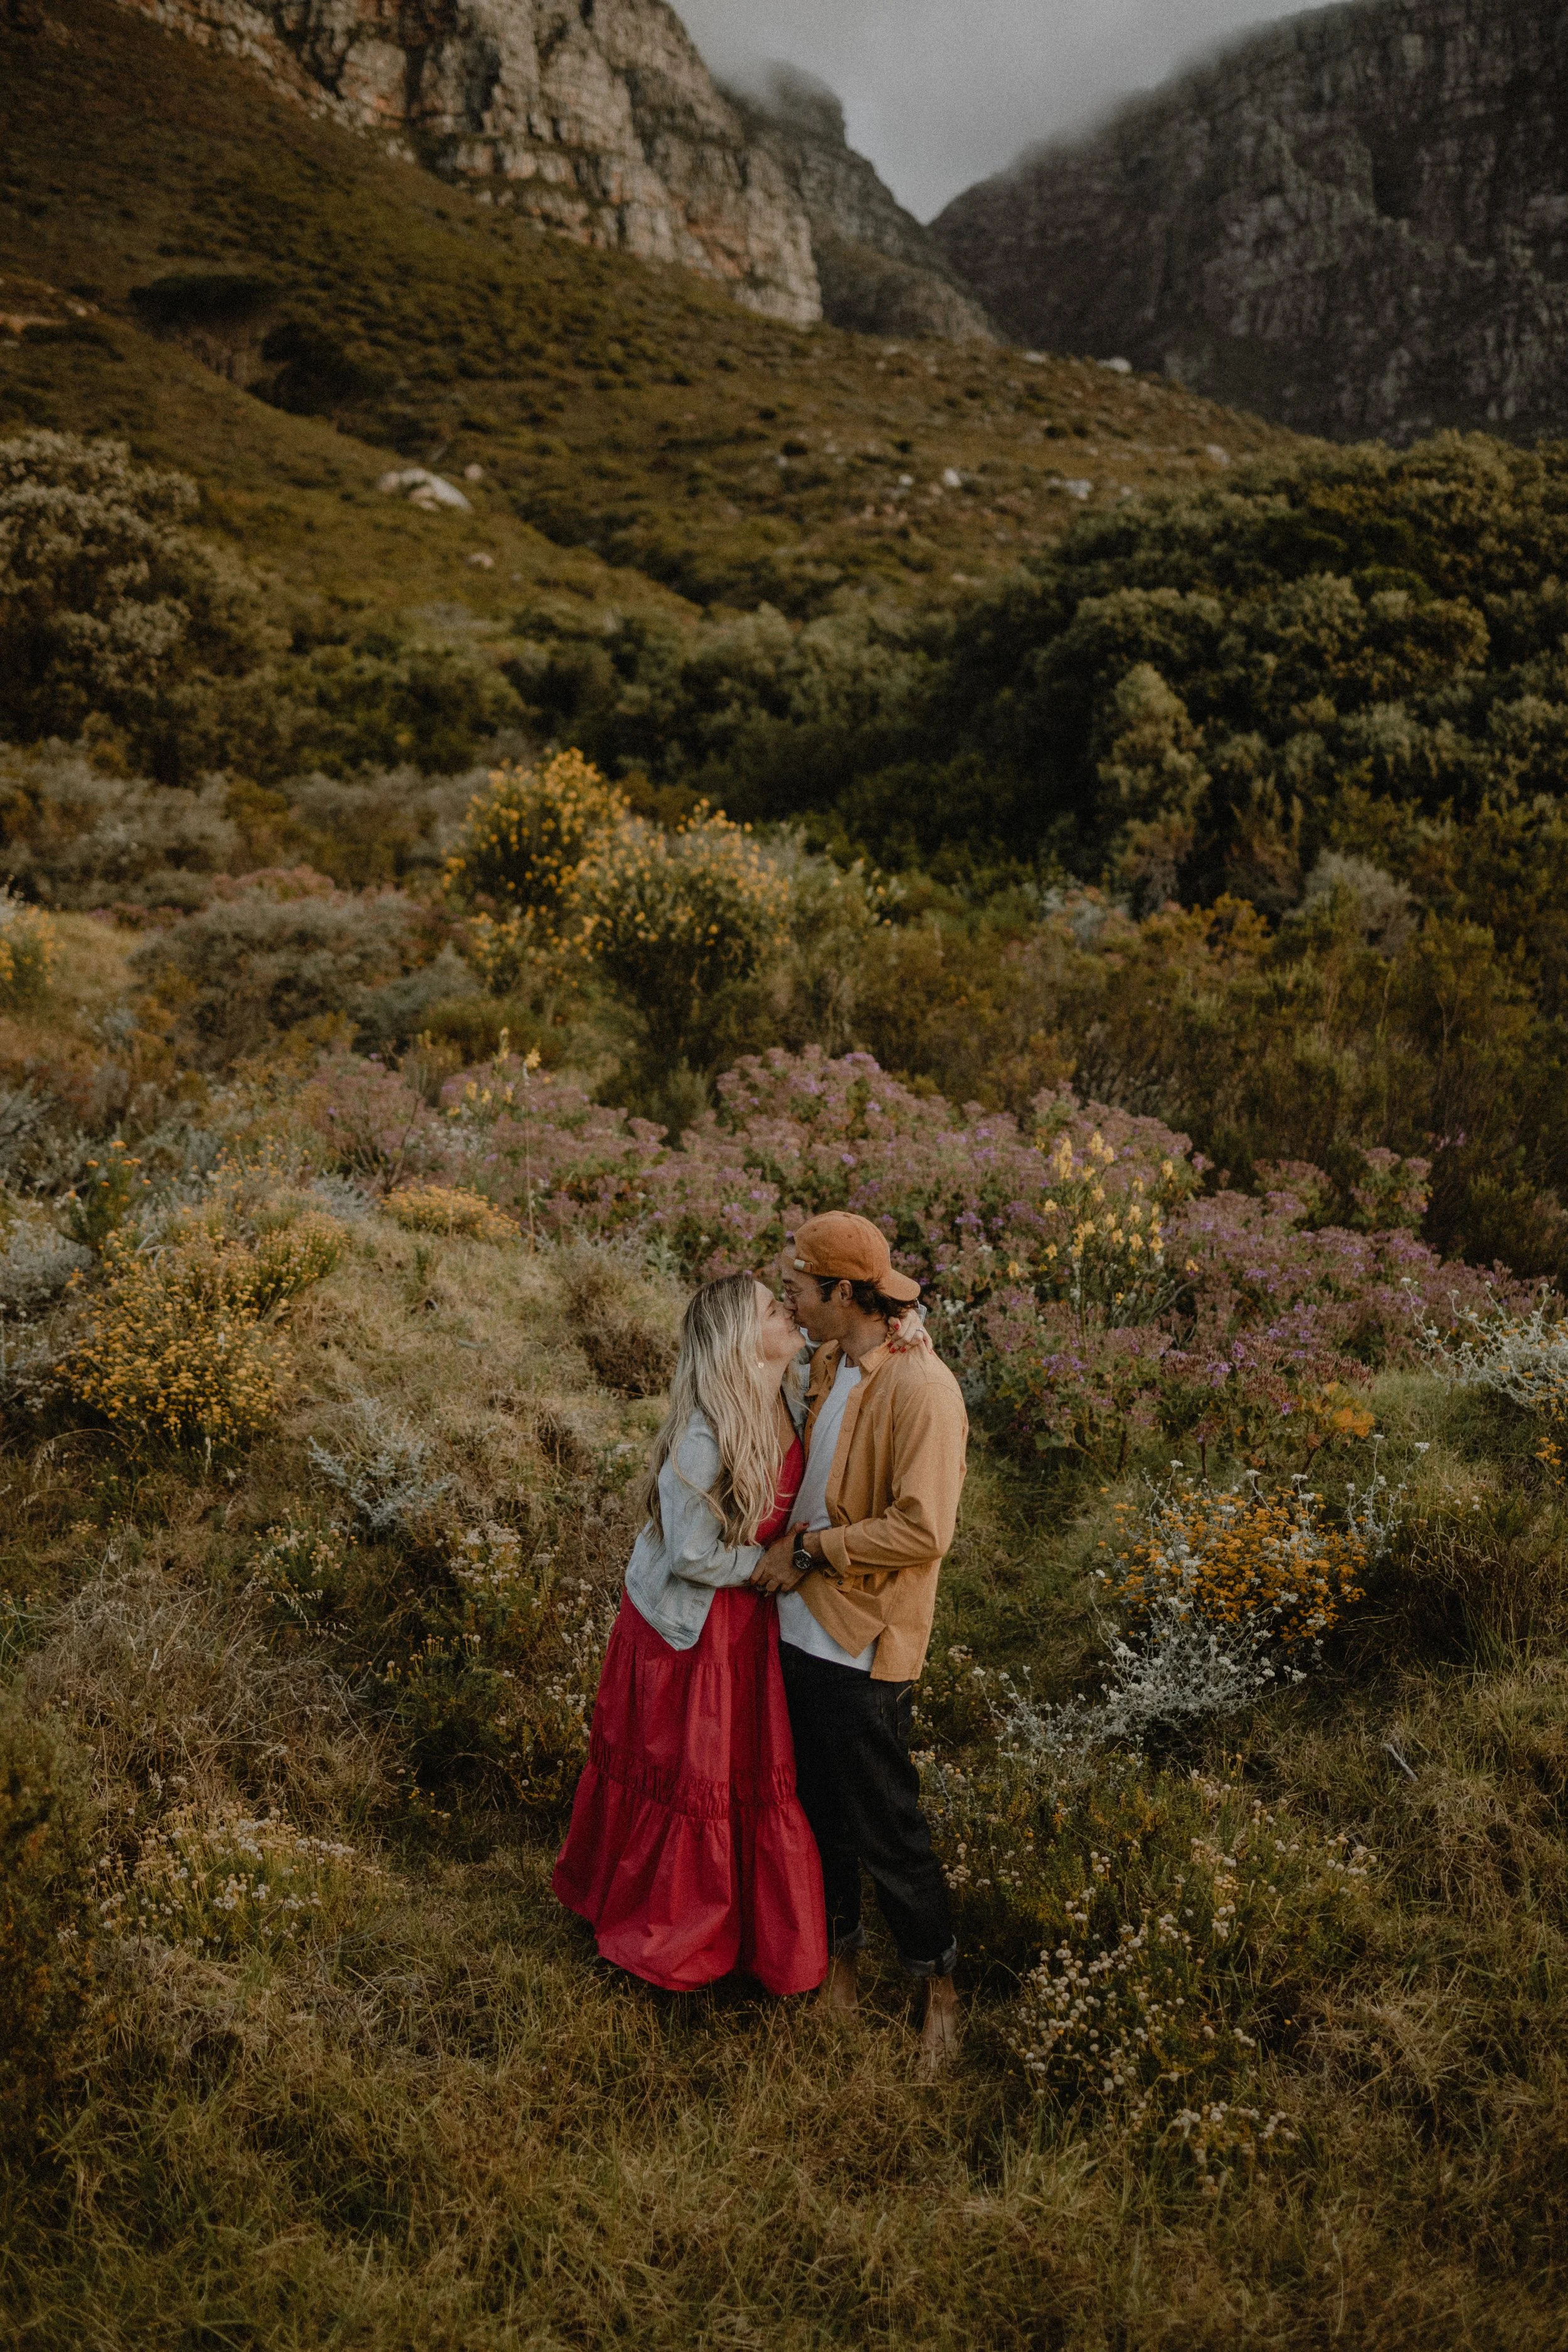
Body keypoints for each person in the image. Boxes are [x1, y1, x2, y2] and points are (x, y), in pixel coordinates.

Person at [553, 1272, 828, 1996]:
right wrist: (767, 1563)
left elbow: (855, 1348)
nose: (791, 1311)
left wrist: (909, 1328)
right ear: (743, 1340)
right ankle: (672, 1936)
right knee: (691, 1784)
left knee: (742, 1779)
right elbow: (689, 1554)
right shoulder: (707, 1431)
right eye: (775, 1308)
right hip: (690, 1627)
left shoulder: (792, 1388)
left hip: (746, 1619)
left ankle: (745, 1940)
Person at [751, 1212, 970, 2071]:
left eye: (802, 1289)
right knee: (816, 1815)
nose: (793, 1302)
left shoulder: (925, 1391)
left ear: (846, 1293)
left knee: (888, 1824)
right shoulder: (833, 1360)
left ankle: (939, 1990)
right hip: (797, 1625)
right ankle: (839, 1962)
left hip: (862, 1639)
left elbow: (924, 1529)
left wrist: (810, 1549)